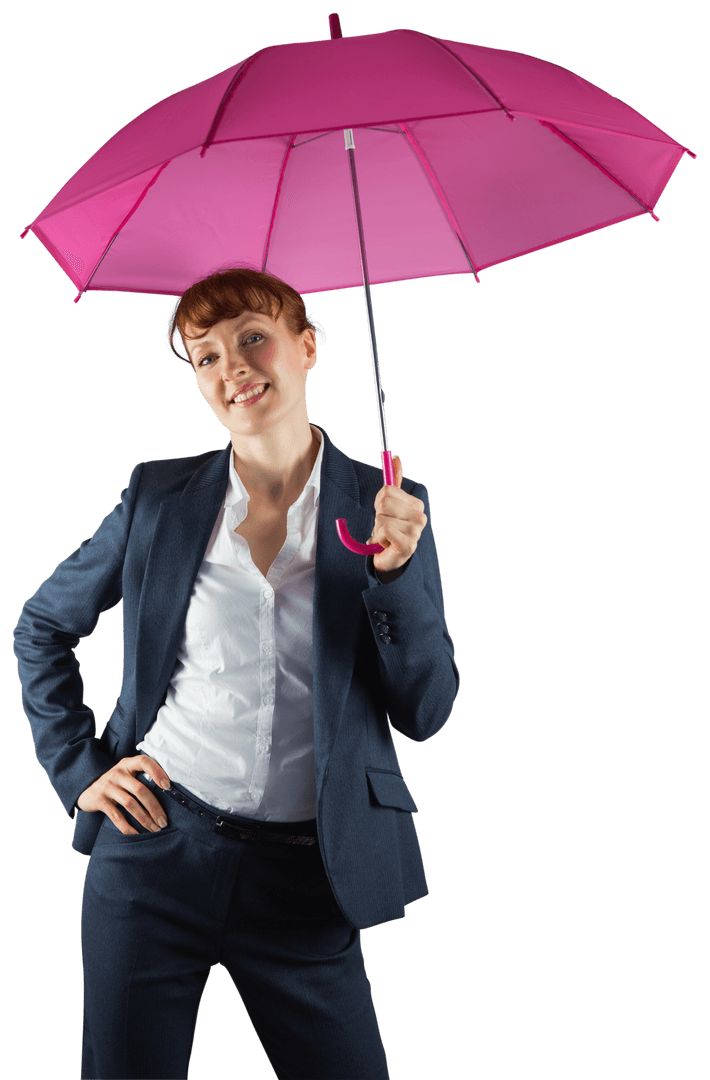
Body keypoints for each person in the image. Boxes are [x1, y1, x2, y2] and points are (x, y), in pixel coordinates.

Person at [13, 266, 460, 1080]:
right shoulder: (158, 496)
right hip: (153, 852)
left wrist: (394, 577)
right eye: (205, 356)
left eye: (253, 338)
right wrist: (80, 773)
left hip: (308, 878)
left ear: (308, 346)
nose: (233, 370)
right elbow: (41, 626)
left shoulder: (388, 506)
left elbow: (427, 710)